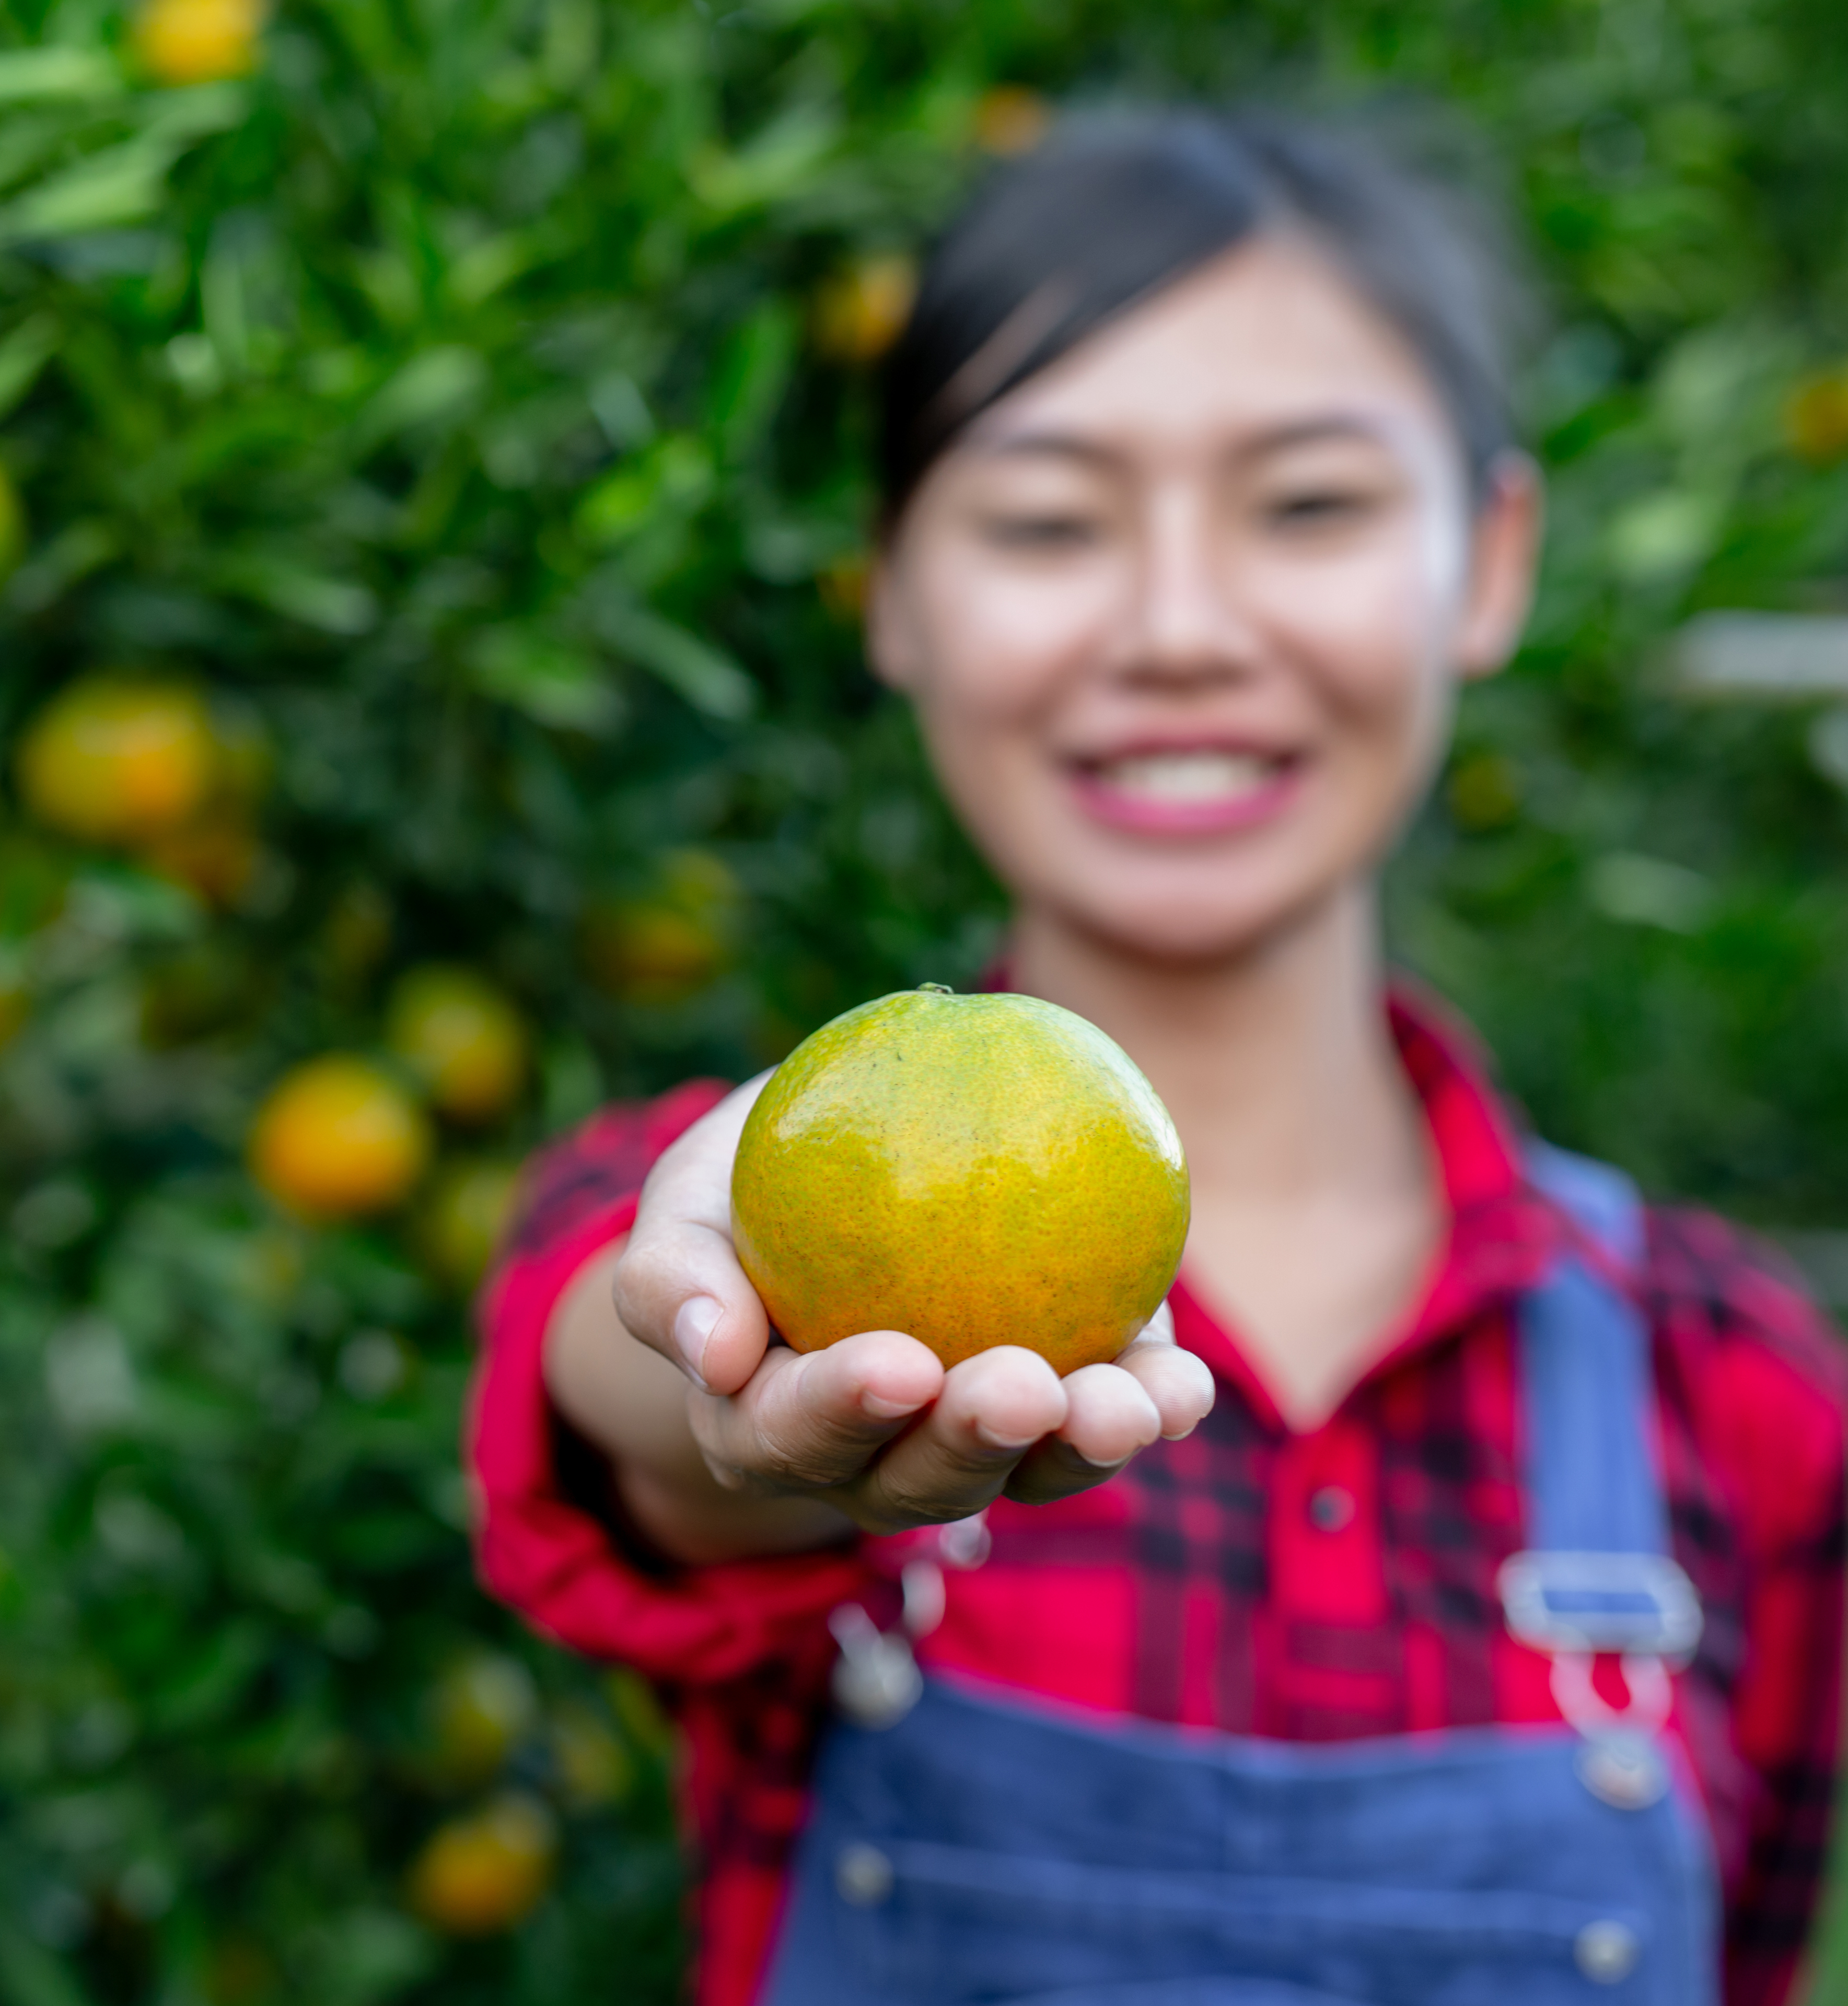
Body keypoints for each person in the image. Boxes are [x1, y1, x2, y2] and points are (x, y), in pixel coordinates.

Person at [469, 109, 1845, 2006]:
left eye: (1307, 508)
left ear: (1491, 561)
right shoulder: (743, 1199)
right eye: (1047, 522)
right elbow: (639, 1399)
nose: (1180, 628)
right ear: (892, 592)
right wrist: (730, 1351)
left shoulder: (1736, 1385)